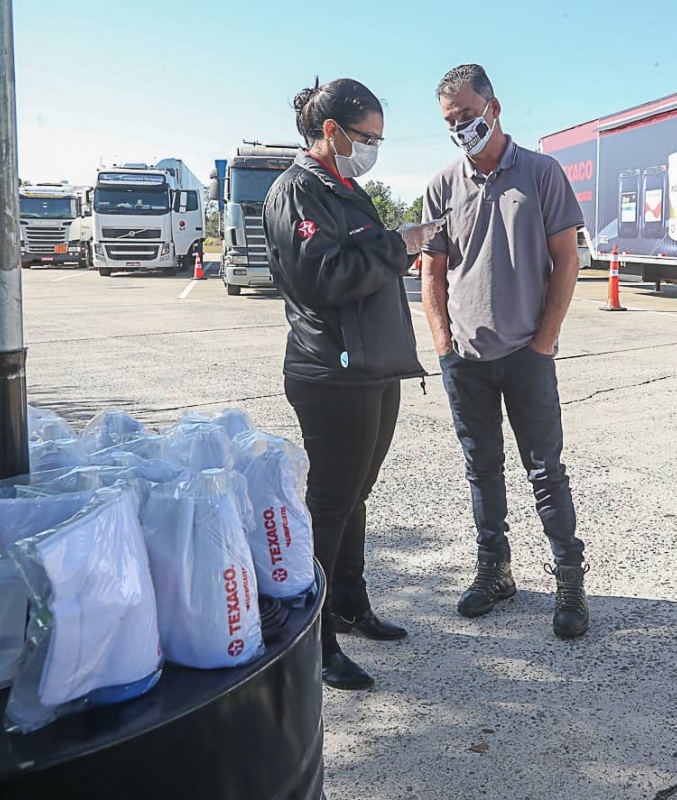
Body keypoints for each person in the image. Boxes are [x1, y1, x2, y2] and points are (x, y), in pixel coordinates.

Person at [263, 77, 443, 690]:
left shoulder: (343, 188)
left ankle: (350, 602)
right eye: (366, 137)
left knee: (355, 495)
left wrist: (397, 245)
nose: (372, 149)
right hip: (330, 373)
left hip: (372, 369)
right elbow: (327, 278)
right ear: (332, 131)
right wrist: (401, 244)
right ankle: (314, 637)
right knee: (331, 503)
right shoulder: (296, 192)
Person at [421, 64, 590, 639]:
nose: (460, 127)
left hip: (526, 355)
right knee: (481, 471)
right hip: (466, 360)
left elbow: (567, 261)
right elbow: (433, 272)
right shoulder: (442, 186)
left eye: (468, 115)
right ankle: (495, 572)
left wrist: (544, 343)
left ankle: (569, 580)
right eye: (451, 120)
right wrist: (443, 344)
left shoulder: (542, 174)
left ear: (494, 107)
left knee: (546, 471)